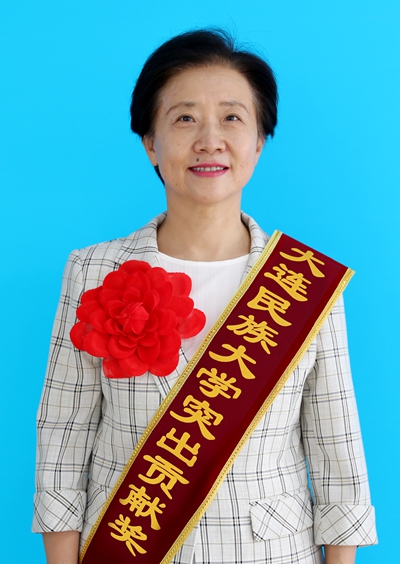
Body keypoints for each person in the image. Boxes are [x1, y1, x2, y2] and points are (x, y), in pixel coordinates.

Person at [33, 29, 377, 564]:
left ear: (259, 141)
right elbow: (63, 438)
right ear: (150, 141)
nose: (210, 140)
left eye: (232, 118)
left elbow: (338, 454)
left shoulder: (306, 282)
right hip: (129, 547)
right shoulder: (93, 271)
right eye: (185, 118)